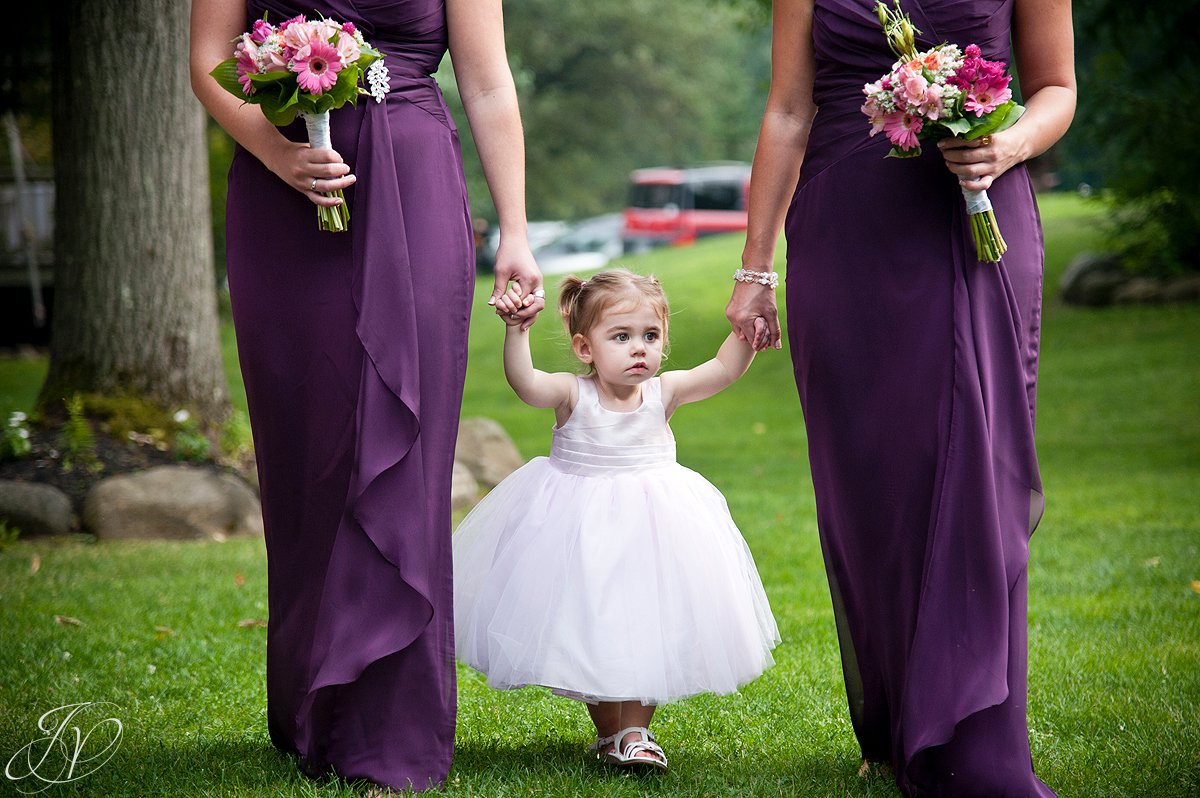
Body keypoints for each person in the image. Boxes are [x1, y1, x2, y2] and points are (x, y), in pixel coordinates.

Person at [190, 0, 543, 792]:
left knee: (407, 432)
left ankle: (392, 727)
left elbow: (487, 85)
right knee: (306, 440)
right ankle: (311, 702)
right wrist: (277, 153)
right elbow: (207, 62)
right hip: (281, 188)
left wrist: (515, 229)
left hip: (412, 178)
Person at [727, 0, 1075, 794]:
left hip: (975, 213)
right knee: (870, 480)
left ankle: (973, 728)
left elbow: (1057, 86)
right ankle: (891, 718)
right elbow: (788, 107)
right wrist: (755, 268)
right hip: (846, 221)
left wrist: (1007, 144)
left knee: (972, 464)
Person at [454, 269, 780, 772]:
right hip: (578, 532)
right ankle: (612, 733)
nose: (639, 350)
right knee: (593, 627)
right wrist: (516, 332)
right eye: (622, 337)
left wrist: (747, 336)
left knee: (647, 623)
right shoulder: (572, 394)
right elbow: (526, 384)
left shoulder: (664, 393)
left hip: (651, 532)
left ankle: (636, 730)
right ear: (586, 349)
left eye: (650, 336)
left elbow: (720, 368)